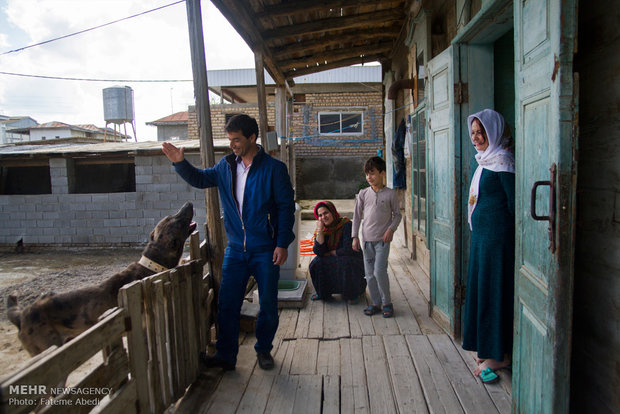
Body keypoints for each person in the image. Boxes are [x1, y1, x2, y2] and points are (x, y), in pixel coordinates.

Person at [162, 114, 295, 371]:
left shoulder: (274, 169)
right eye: (230, 139)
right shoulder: (226, 167)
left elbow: (285, 208)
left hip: (265, 249)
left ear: (252, 138)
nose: (232, 144)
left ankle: (264, 350)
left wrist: (281, 243)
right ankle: (226, 355)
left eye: (237, 139)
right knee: (227, 303)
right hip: (235, 249)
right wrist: (180, 163)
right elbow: (201, 179)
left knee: (267, 303)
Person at [461, 108, 515, 384]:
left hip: (497, 243)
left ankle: (499, 355)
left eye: (481, 132)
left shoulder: (503, 162)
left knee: (494, 292)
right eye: (473, 133)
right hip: (483, 240)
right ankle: (485, 348)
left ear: (493, 132)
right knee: (483, 291)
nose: (477, 137)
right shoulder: (485, 161)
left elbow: (513, 204)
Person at [352, 156, 402, 318]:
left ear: (382, 173)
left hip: (382, 241)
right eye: (367, 174)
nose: (369, 177)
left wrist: (391, 230)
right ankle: (376, 303)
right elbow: (357, 216)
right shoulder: (363, 193)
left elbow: (397, 215)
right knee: (370, 274)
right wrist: (355, 236)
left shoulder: (390, 194)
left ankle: (387, 303)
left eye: (372, 173)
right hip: (367, 241)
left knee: (380, 271)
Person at [309, 201, 366, 304]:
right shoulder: (322, 229)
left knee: (346, 262)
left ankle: (352, 294)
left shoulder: (346, 224)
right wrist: (320, 231)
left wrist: (332, 252)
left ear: (332, 212)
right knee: (316, 263)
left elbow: (349, 249)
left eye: (326, 213)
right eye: (320, 215)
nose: (323, 217)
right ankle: (323, 293)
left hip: (351, 258)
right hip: (335, 257)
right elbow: (318, 251)